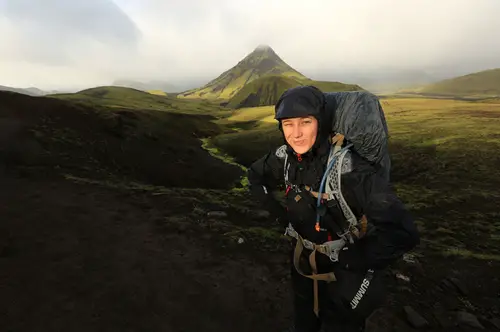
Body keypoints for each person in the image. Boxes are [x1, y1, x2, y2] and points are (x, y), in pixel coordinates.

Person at [247, 86, 420, 332]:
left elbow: (403, 232)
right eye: (288, 124)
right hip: (303, 259)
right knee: (304, 319)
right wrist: (279, 216)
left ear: (322, 121)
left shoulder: (352, 171)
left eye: (305, 122)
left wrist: (355, 260)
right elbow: (255, 176)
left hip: (346, 271)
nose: (296, 134)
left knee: (339, 323)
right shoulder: (284, 158)